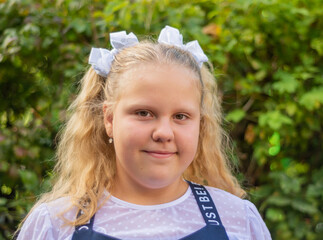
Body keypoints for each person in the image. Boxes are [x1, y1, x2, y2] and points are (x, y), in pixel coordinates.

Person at [16, 26, 271, 240]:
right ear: (109, 119)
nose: (163, 132)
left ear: (200, 126)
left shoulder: (238, 221)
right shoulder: (57, 225)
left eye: (181, 116)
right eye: (144, 113)